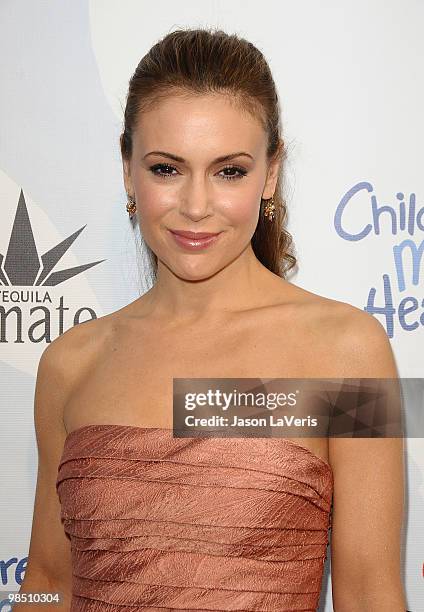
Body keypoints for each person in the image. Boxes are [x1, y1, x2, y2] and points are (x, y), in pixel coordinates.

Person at [18, 28, 406, 611]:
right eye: (166, 169)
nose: (196, 205)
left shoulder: (348, 353)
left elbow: (370, 594)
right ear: (127, 168)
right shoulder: (71, 363)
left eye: (229, 171)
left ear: (270, 173)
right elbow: (47, 581)